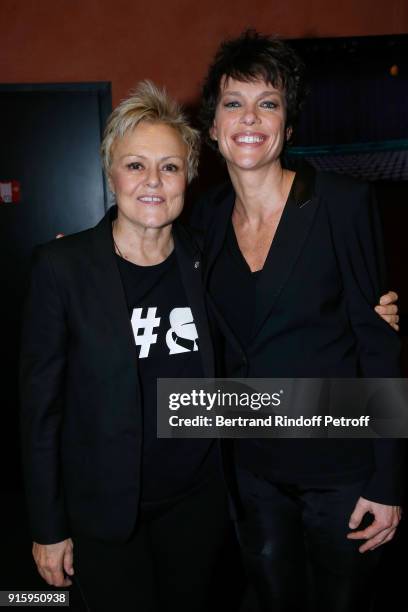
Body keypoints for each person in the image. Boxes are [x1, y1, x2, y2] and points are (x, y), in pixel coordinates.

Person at [191, 30, 404, 612]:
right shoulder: (203, 219)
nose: (250, 117)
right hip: (250, 472)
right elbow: (137, 214)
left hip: (340, 470)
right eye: (234, 103)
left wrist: (388, 482)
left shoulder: (342, 203)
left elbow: (378, 346)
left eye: (269, 102)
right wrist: (81, 253)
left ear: (288, 125)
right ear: (213, 127)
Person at [19, 81, 239, 612]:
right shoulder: (62, 269)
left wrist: (368, 309)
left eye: (169, 166)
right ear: (110, 172)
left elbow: (276, 319)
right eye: (135, 164)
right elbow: (39, 412)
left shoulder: (208, 258)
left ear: (188, 175)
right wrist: (49, 527)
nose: (153, 182)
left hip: (197, 505)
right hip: (106, 516)